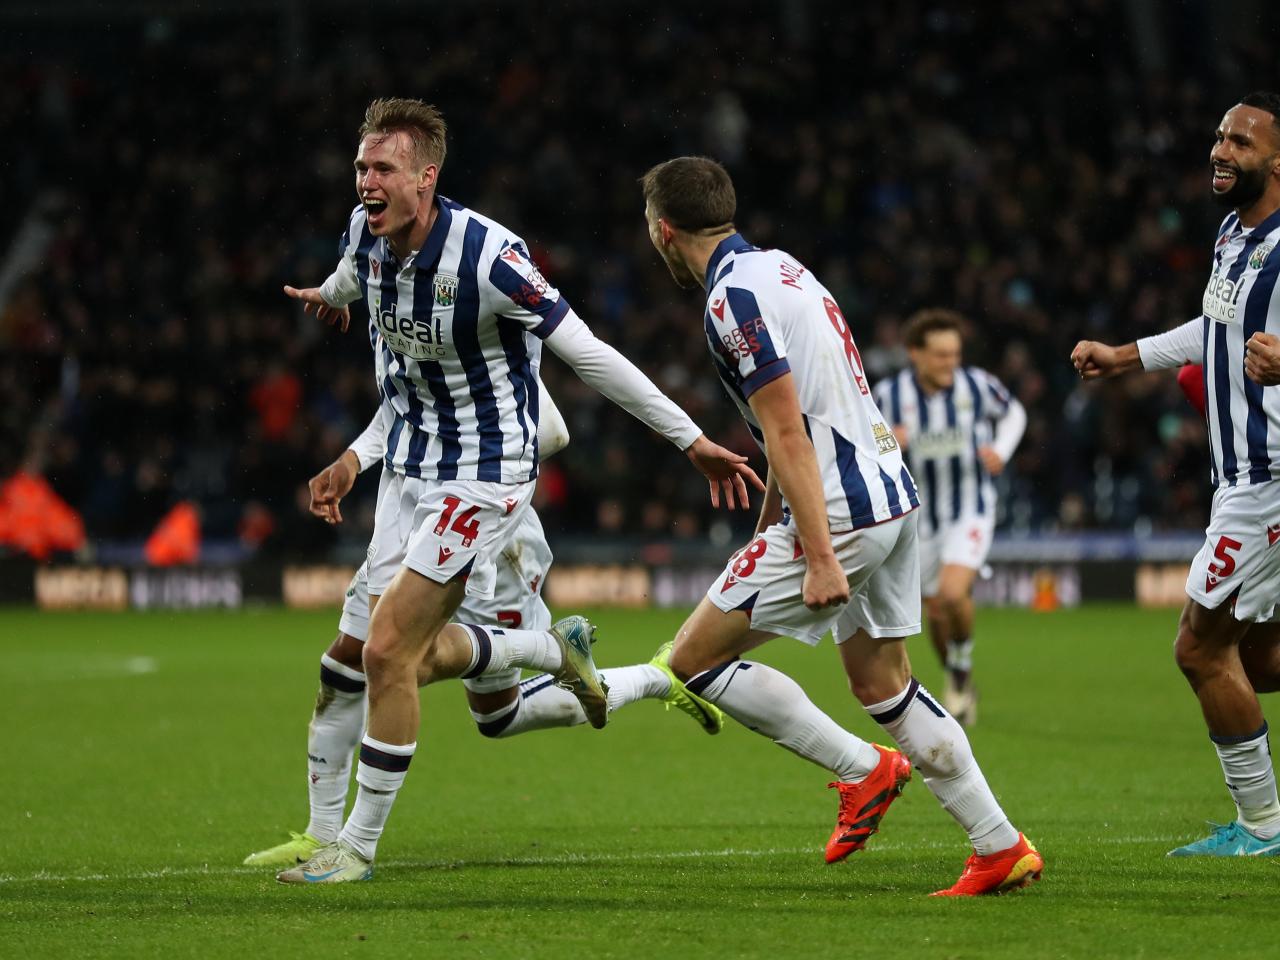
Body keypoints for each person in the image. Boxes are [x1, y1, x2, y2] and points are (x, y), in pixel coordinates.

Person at [274, 98, 760, 884]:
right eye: (361, 166)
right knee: (349, 659)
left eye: (383, 168)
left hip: (485, 474)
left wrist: (692, 441)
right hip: (408, 468)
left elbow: (590, 355)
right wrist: (330, 300)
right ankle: (323, 832)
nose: (366, 181)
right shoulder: (364, 233)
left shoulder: (490, 257)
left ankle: (354, 853)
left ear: (427, 178)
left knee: (393, 652)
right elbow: (349, 278)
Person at [640, 156, 1042, 895]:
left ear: (664, 230)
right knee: (883, 681)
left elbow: (789, 431)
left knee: (692, 661)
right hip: (891, 494)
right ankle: (999, 845)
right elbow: (806, 415)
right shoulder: (783, 268)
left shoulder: (731, 300)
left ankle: (865, 772)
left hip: (844, 515)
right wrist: (773, 519)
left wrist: (819, 555)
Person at [243, 388, 722, 870]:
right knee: (348, 660)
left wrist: (471, 461)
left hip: (486, 527)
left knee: (495, 713)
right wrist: (354, 458)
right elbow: (405, 402)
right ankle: (321, 834)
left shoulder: (498, 326)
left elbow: (552, 429)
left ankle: (648, 674)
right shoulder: (399, 322)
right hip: (410, 508)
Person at [1071, 91, 1280, 856]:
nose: (1222, 152)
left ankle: (1262, 828)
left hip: (1270, 482)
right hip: (1242, 478)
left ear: (1279, 161)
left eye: (1243, 143)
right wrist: (1126, 356)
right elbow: (1212, 327)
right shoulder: (1233, 235)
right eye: (1220, 138)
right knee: (1254, 656)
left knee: (1198, 649)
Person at [872, 310, 1026, 725]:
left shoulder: (977, 385)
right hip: (917, 518)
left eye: (954, 354)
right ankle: (959, 676)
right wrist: (889, 441)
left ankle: (959, 670)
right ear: (915, 354)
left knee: (954, 594)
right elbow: (862, 439)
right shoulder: (888, 395)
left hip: (970, 508)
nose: (949, 363)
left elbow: (1014, 413)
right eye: (940, 355)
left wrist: (1002, 451)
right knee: (936, 611)